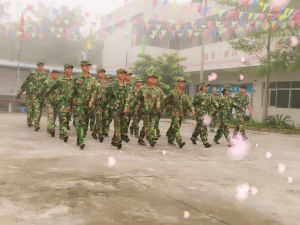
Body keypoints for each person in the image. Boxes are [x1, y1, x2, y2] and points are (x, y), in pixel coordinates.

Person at [72, 60, 97, 150]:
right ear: (82, 67)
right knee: (79, 122)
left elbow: (95, 90)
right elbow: (72, 92)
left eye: (88, 66)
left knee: (85, 124)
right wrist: (69, 103)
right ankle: (82, 140)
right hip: (78, 104)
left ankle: (79, 139)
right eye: (85, 66)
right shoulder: (76, 78)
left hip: (88, 105)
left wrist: (92, 100)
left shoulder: (93, 79)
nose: (87, 67)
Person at [16, 62, 48, 131]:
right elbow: (25, 83)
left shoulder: (45, 75)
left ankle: (36, 124)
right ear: (37, 67)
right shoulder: (32, 73)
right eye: (39, 66)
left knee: (37, 110)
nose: (40, 67)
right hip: (30, 95)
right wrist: (18, 94)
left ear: (43, 67)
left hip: (39, 96)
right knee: (30, 110)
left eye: (42, 66)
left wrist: (46, 95)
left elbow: (47, 85)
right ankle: (30, 122)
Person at [164, 77, 194, 148]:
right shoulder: (173, 92)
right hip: (174, 113)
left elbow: (189, 103)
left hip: (181, 113)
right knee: (176, 127)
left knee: (175, 127)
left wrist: (192, 109)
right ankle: (179, 141)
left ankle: (170, 137)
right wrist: (162, 108)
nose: (183, 84)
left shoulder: (184, 94)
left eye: (183, 83)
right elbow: (165, 101)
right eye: (181, 82)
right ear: (177, 83)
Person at [103, 69, 129, 149]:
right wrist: (103, 107)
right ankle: (118, 140)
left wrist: (126, 107)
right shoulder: (111, 86)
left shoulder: (126, 86)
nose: (122, 75)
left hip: (123, 109)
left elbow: (127, 99)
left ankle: (114, 140)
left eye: (124, 74)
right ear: (117, 74)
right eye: (121, 74)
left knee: (121, 125)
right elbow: (107, 97)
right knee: (117, 124)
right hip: (114, 109)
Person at [136, 74, 163, 147]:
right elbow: (138, 99)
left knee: (151, 126)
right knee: (147, 126)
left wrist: (160, 106)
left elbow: (163, 99)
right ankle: (151, 140)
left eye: (155, 78)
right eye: (151, 78)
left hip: (154, 112)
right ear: (147, 79)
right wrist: (137, 106)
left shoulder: (159, 90)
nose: (153, 79)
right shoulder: (143, 88)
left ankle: (140, 139)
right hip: (145, 111)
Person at [191, 82, 214, 148]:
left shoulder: (208, 96)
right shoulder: (198, 95)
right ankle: (205, 142)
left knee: (198, 127)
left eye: (207, 87)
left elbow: (211, 104)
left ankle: (193, 137)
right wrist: (192, 110)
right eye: (205, 86)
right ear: (201, 87)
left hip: (206, 114)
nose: (207, 88)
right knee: (203, 127)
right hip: (199, 114)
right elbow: (192, 103)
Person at [92, 68, 108, 143]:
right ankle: (100, 134)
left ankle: (94, 132)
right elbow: (92, 93)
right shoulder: (94, 82)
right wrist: (91, 101)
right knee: (99, 118)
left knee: (104, 119)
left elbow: (108, 94)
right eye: (100, 73)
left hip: (104, 104)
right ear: (97, 74)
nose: (102, 74)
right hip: (97, 103)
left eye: (103, 73)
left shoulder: (106, 83)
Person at [44, 70, 60, 137]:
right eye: (55, 73)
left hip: (57, 102)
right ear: (51, 74)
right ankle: (52, 129)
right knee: (50, 115)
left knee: (54, 116)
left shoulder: (59, 82)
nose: (56, 75)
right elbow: (43, 90)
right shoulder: (47, 82)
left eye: (57, 74)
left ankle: (49, 128)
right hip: (49, 102)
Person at [121, 72, 134, 142]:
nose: (129, 77)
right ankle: (122, 134)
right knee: (123, 121)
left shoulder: (132, 86)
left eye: (130, 76)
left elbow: (133, 96)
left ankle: (124, 134)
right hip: (122, 106)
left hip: (130, 106)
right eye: (128, 75)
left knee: (127, 121)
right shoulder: (122, 85)